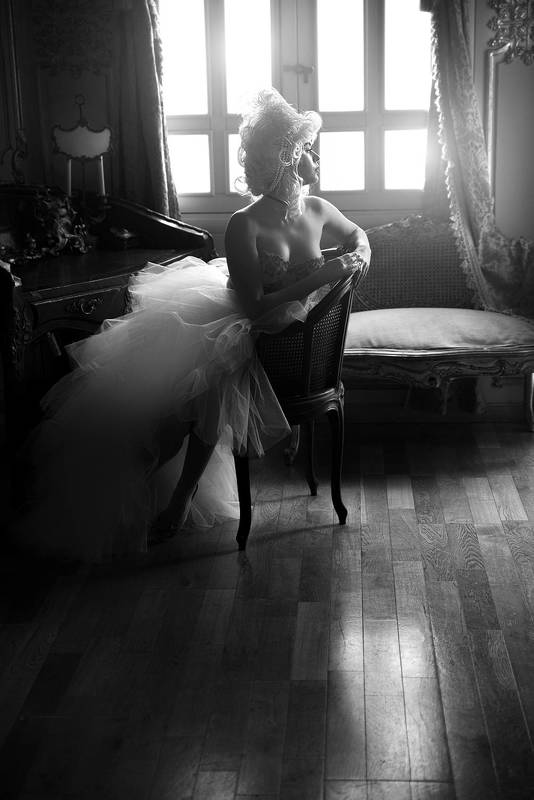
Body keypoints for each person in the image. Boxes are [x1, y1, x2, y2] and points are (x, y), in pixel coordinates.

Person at [10, 88, 370, 563]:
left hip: (297, 347)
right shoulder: (244, 224)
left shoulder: (318, 208)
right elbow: (255, 308)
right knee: (212, 379)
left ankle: (178, 491)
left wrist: (361, 252)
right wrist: (322, 276)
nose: (314, 158)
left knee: (215, 379)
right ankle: (152, 485)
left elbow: (358, 234)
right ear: (284, 158)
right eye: (305, 149)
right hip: (253, 327)